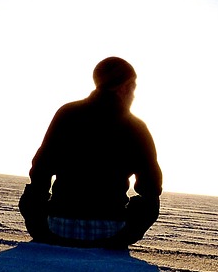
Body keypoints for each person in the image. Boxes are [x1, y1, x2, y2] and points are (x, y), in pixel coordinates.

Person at [18, 57, 162, 248]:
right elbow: (151, 186)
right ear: (124, 87)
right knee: (151, 202)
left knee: (36, 186)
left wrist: (39, 219)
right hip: (112, 231)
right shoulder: (136, 127)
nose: (134, 95)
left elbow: (40, 169)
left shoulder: (67, 113)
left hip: (58, 226)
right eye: (133, 87)